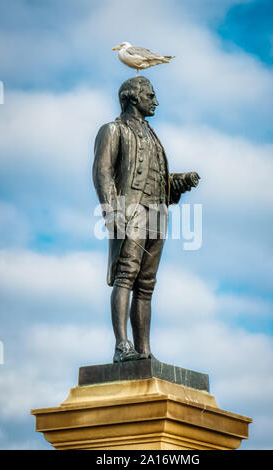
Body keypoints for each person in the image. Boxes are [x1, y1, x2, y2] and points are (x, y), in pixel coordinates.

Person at [93, 76, 193, 362]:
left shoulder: (151, 134)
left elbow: (157, 177)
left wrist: (178, 181)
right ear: (133, 97)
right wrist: (114, 214)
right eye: (150, 95)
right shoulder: (113, 130)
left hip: (157, 213)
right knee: (126, 274)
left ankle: (144, 351)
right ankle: (122, 346)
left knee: (147, 283)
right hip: (130, 210)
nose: (156, 101)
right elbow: (103, 174)